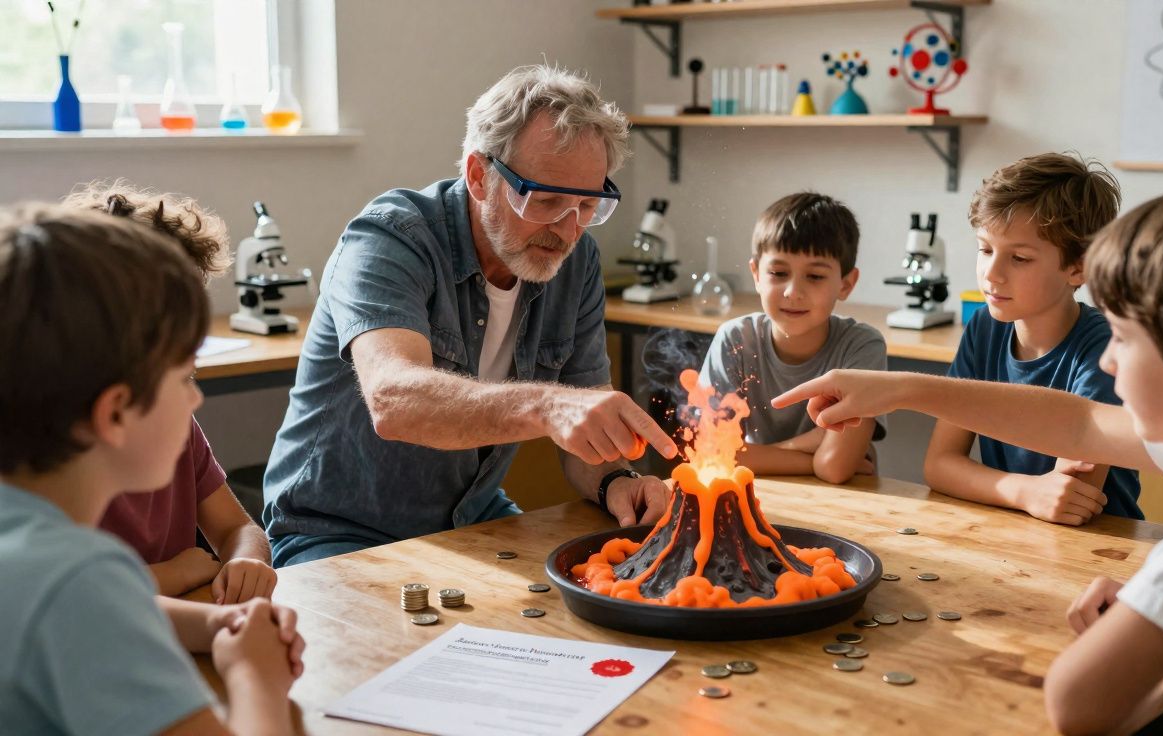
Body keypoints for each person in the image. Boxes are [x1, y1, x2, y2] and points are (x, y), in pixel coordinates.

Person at [772, 178, 1163, 735]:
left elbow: (1078, 701)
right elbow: (1077, 422)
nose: (1108, 363)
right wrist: (901, 389)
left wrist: (1153, 604)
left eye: (1125, 339)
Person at [263, 64, 678, 567]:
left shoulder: (576, 261)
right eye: (545, 200)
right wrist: (548, 407)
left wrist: (615, 480)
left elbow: (583, 432)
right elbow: (395, 400)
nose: (568, 231)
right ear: (479, 176)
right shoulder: (389, 239)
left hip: (473, 517)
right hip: (339, 530)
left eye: (588, 205)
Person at [0, 204, 303, 734]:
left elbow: (94, 620)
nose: (197, 399)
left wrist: (218, 623)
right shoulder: (80, 577)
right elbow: (90, 603)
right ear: (116, 412)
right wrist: (258, 677)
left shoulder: (31, 547)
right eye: (185, 376)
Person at [63, 181, 276, 603]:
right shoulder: (54, 449)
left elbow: (238, 528)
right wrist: (176, 573)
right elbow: (72, 596)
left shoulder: (174, 421)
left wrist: (246, 563)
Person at [925, 153, 1141, 524]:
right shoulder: (984, 328)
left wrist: (1012, 491)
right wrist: (1025, 492)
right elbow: (939, 464)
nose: (992, 273)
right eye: (986, 249)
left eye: (1020, 258)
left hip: (1100, 548)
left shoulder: (1106, 347)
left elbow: (1071, 497)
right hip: (1017, 530)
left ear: (1078, 268)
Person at [699, 192, 886, 484]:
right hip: (758, 494)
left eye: (815, 277)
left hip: (839, 504)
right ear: (757, 274)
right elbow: (711, 455)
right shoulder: (735, 339)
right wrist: (809, 446)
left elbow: (835, 469)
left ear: (846, 284)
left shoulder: (862, 346)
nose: (792, 292)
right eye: (778, 272)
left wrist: (753, 455)